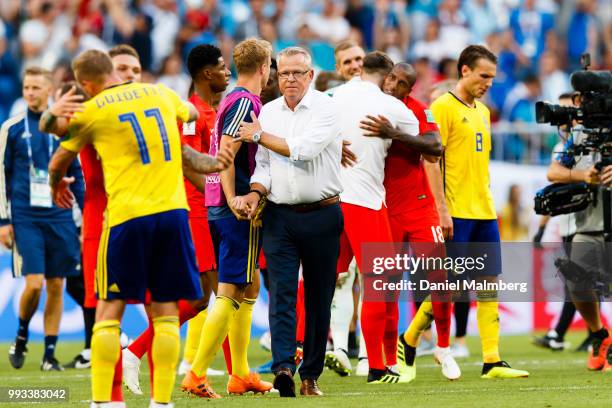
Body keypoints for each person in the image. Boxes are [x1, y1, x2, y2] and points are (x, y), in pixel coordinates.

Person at [47, 49, 231, 407]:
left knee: (112, 311)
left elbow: (57, 144)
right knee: (164, 311)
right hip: (160, 216)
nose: (130, 74)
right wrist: (212, 165)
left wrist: (51, 127)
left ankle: (108, 401)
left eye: (135, 68)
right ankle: (150, 400)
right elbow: (189, 122)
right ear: (108, 72)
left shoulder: (93, 111)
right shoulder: (159, 94)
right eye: (122, 69)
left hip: (123, 218)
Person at [232, 46, 343, 397]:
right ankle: (283, 368)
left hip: (323, 213)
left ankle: (310, 374)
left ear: (311, 76)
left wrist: (257, 134)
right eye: (284, 74)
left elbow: (303, 149)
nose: (290, 79)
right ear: (276, 77)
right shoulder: (268, 111)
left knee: (319, 296)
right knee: (280, 292)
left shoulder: (326, 106)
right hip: (279, 214)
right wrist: (254, 191)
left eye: (298, 73)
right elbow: (264, 164)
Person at [181, 38, 273, 399]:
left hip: (218, 201)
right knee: (232, 288)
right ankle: (197, 373)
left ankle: (241, 374)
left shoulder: (229, 100)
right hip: (233, 206)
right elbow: (229, 150)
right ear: (264, 68)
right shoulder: (246, 102)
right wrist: (235, 196)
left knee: (249, 286)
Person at [429, 44, 529, 379]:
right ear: (465, 71)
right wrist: (440, 209)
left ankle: (492, 360)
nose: (488, 82)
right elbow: (430, 160)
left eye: (493, 78)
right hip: (455, 211)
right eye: (484, 76)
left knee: (488, 284)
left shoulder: (483, 112)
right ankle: (410, 339)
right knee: (451, 287)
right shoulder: (442, 107)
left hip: (484, 211)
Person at [359, 62, 458, 382]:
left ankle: (444, 346)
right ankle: (388, 360)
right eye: (391, 78)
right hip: (381, 207)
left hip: (418, 207)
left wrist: (394, 133)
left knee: (439, 278)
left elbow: (434, 148)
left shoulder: (419, 110)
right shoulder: (366, 105)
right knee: (386, 286)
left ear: (409, 89)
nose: (393, 85)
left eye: (402, 82)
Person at [333, 51, 420, 384]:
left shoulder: (332, 97)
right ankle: (376, 365)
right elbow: (432, 144)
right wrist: (394, 134)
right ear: (386, 77)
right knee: (378, 284)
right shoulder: (391, 106)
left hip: (327, 201)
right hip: (364, 203)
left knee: (318, 284)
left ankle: (296, 358)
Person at [1, 67, 84, 372]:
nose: (30, 92)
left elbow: (77, 174)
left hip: (59, 216)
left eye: (36, 87)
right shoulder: (11, 128)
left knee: (56, 286)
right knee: (34, 284)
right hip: (26, 217)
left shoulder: (66, 127)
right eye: (26, 87)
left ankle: (49, 355)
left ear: (49, 91)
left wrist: (85, 215)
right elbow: (1, 174)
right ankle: (22, 333)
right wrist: (3, 221)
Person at [546, 98, 612, 372]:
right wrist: (583, 175)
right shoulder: (579, 136)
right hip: (588, 225)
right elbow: (554, 171)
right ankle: (599, 335)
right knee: (575, 280)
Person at [326, 39, 368, 376]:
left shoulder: (382, 99)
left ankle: (369, 355)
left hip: (373, 199)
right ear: (339, 69)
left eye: (359, 59)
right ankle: (339, 347)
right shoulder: (329, 103)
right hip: (339, 200)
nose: (355, 66)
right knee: (342, 276)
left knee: (372, 277)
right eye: (348, 62)